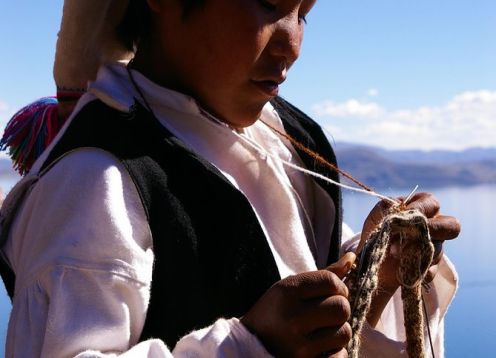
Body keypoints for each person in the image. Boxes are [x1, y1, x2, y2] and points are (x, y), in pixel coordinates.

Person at [0, 0, 460, 357]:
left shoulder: (286, 138)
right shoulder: (93, 179)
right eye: (268, 5)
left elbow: (316, 275)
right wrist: (253, 345)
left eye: (303, 14)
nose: (292, 45)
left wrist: (377, 279)